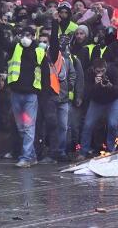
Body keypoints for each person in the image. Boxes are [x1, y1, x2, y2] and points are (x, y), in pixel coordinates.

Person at [6, 26, 53, 167]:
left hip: (31, 96)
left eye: (28, 35)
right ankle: (31, 156)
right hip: (16, 93)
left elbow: (45, 74)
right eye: (23, 34)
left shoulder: (40, 51)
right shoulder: (15, 47)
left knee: (28, 127)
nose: (25, 37)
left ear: (34, 36)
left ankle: (26, 157)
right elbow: (3, 48)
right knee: (21, 127)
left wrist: (44, 94)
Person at [37, 32, 76, 164]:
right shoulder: (47, 57)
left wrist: (68, 87)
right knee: (51, 125)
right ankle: (51, 152)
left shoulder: (68, 59)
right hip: (51, 97)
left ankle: (61, 152)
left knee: (63, 127)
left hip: (63, 98)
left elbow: (73, 75)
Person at [78, 59, 118, 159]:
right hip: (97, 101)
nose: (100, 73)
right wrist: (95, 85)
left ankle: (110, 149)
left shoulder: (113, 71)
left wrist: (110, 86)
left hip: (113, 100)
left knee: (112, 124)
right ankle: (83, 151)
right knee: (88, 125)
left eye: (102, 71)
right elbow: (86, 93)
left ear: (106, 68)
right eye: (97, 71)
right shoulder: (89, 73)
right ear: (93, 69)